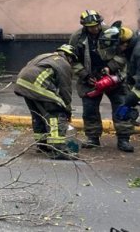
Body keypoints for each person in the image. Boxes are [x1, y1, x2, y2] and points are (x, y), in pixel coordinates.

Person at [68, 10, 132, 151]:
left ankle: (123, 139)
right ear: (85, 26)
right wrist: (84, 74)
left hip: (114, 77)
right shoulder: (77, 38)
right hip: (90, 79)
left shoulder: (111, 32)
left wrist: (110, 67)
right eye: (91, 26)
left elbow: (122, 55)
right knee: (90, 110)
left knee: (122, 106)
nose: (95, 28)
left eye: (97, 25)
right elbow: (73, 60)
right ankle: (92, 138)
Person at [14, 44, 78, 159]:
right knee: (56, 114)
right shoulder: (64, 64)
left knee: (38, 115)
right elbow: (65, 89)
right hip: (37, 87)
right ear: (70, 57)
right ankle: (58, 150)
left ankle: (42, 144)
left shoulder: (46, 56)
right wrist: (67, 109)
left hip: (22, 85)